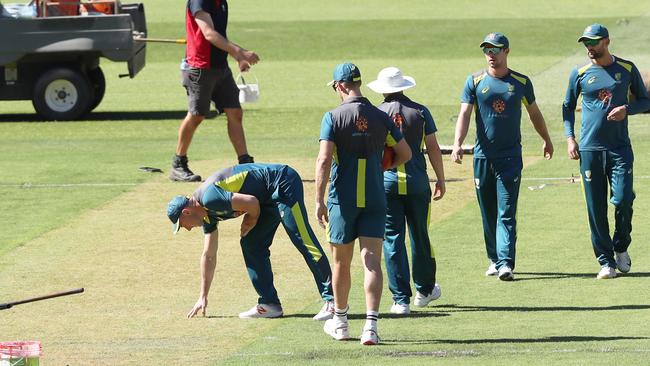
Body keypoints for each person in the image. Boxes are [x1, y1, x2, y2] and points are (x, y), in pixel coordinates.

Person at [315, 62, 411, 345]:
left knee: (340, 263)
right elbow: (404, 153)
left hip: (342, 200)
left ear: (341, 86)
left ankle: (342, 323)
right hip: (374, 197)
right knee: (371, 261)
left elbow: (323, 160)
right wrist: (381, 166)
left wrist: (318, 199)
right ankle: (371, 327)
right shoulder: (381, 116)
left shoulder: (332, 117)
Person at [167, 163, 335, 320]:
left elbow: (251, 203)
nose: (187, 229)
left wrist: (251, 218)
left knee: (302, 238)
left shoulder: (210, 198)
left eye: (182, 225)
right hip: (265, 199)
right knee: (251, 244)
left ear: (187, 212)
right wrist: (203, 296)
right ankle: (269, 304)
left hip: (282, 182)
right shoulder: (206, 215)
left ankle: (333, 300)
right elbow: (208, 255)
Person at [451, 32, 554, 281]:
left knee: (506, 211)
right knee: (488, 212)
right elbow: (464, 114)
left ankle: (506, 262)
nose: (491, 55)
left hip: (509, 158)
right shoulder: (474, 82)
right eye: (487, 50)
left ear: (506, 51)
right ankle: (494, 259)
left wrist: (546, 140)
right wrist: (457, 144)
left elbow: (534, 114)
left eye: (495, 50)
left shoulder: (520, 82)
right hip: (483, 158)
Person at [562, 24, 650, 279]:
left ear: (607, 41)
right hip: (589, 149)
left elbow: (644, 100)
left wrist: (627, 110)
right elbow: (567, 107)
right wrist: (570, 139)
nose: (590, 47)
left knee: (623, 199)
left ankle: (621, 246)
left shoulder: (626, 68)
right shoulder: (579, 74)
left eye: (594, 42)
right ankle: (606, 261)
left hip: (619, 148)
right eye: (586, 43)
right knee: (595, 207)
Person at [367, 67, 445, 315]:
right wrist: (441, 179)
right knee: (420, 235)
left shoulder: (376, 113)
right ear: (403, 86)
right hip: (417, 183)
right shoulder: (420, 112)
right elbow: (432, 147)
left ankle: (400, 299)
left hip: (386, 185)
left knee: (392, 239)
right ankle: (424, 291)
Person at [170, 0, 259, 182]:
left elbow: (220, 34)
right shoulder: (199, 1)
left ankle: (245, 162)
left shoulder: (221, 2)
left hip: (220, 67)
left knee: (235, 112)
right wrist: (241, 52)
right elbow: (209, 34)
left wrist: (236, 57)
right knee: (197, 116)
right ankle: (178, 164)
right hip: (199, 68)